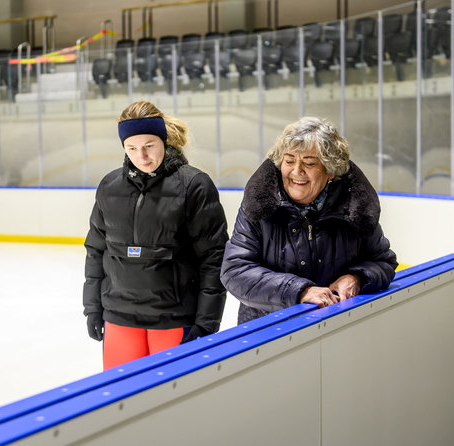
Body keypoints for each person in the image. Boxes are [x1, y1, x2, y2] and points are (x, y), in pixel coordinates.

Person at [83, 100, 229, 370]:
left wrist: (207, 321)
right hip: (119, 318)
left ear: (164, 140)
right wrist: (92, 306)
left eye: (149, 145)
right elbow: (96, 249)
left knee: (174, 402)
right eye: (132, 148)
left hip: (173, 319)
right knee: (121, 399)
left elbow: (214, 256)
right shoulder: (109, 186)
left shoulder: (194, 186)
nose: (142, 156)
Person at [220, 116, 397, 324]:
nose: (296, 172)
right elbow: (235, 271)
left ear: (330, 170)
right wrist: (300, 291)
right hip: (267, 331)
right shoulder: (260, 205)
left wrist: (357, 278)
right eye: (289, 161)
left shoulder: (355, 206)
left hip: (336, 328)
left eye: (309, 163)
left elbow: (383, 261)